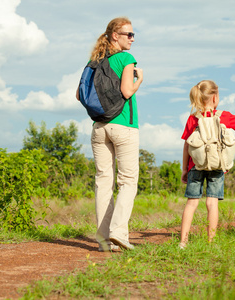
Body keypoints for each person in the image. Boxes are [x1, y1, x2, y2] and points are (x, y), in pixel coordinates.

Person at [76, 17, 143, 251]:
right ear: (115, 35)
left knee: (103, 182)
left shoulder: (94, 61)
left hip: (99, 128)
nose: (132, 39)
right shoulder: (126, 58)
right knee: (127, 181)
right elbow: (126, 91)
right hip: (123, 126)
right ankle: (119, 233)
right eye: (129, 34)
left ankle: (104, 240)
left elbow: (78, 95)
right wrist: (139, 80)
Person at [179, 80, 235, 249]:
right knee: (212, 203)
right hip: (217, 165)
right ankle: (211, 242)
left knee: (191, 203)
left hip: (195, 165)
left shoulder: (193, 118)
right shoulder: (223, 116)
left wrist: (185, 168)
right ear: (215, 97)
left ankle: (183, 241)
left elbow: (187, 145)